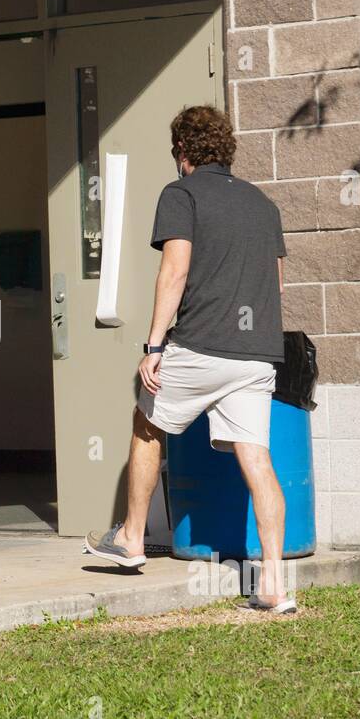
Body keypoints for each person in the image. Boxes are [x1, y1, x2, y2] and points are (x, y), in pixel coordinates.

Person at [84, 105, 295, 613]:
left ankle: (132, 538)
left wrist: (155, 346)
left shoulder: (180, 195)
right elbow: (275, 285)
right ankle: (274, 584)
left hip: (201, 344)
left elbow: (173, 274)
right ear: (226, 150)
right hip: (257, 353)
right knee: (257, 458)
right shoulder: (263, 205)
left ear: (183, 153)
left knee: (147, 422)